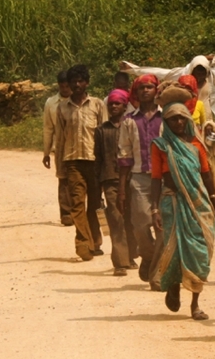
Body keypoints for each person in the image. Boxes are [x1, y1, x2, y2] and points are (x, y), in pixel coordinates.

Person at [149, 102, 215, 320]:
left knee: (200, 250)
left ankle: (195, 303)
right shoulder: (161, 146)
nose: (179, 122)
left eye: (183, 118)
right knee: (174, 249)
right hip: (171, 202)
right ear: (167, 122)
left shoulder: (197, 145)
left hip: (198, 203)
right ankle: (173, 284)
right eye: (173, 119)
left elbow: (207, 175)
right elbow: (155, 179)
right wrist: (154, 209)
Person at [50, 64, 107, 261]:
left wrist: (107, 164)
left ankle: (96, 240)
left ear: (87, 83)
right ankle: (83, 243)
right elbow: (60, 139)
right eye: (73, 81)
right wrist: (60, 169)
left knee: (94, 204)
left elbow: (104, 135)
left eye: (80, 81)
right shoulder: (62, 108)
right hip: (72, 161)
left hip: (94, 161)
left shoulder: (98, 105)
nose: (76, 84)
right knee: (76, 204)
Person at [118, 74, 164, 287]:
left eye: (150, 87)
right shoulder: (129, 121)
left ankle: (157, 274)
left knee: (163, 227)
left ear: (156, 91)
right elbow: (124, 156)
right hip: (139, 179)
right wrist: (122, 188)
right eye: (141, 88)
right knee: (141, 226)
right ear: (135, 93)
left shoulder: (167, 117)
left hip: (165, 178)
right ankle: (148, 255)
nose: (146, 90)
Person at [120, 53, 215, 119]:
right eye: (197, 72)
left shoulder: (213, 75)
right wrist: (133, 69)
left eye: (202, 72)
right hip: (187, 112)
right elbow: (159, 72)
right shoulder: (183, 74)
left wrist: (211, 58)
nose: (199, 76)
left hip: (206, 113)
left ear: (207, 71)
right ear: (192, 70)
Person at [95, 88, 133, 276]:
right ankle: (120, 262)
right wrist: (97, 185)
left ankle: (131, 255)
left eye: (117, 103)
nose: (113, 106)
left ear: (125, 106)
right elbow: (98, 158)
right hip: (110, 179)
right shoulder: (101, 131)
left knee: (132, 219)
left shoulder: (131, 126)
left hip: (133, 179)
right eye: (111, 104)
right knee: (116, 219)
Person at [43, 71, 73, 226]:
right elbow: (48, 128)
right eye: (62, 86)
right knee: (63, 179)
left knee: (79, 179)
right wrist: (46, 152)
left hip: (78, 145)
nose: (65, 89)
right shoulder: (51, 103)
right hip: (60, 146)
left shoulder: (79, 100)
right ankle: (66, 213)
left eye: (68, 86)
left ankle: (79, 211)